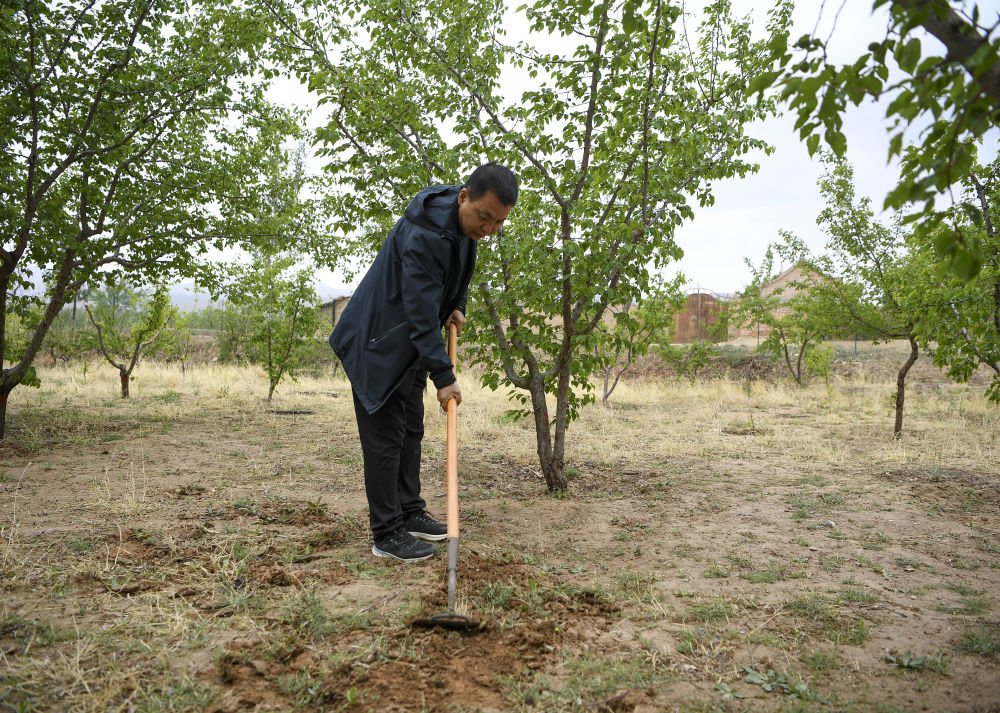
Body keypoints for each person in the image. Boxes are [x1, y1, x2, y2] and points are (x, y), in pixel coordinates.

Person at [330, 163, 519, 562]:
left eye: (498, 223)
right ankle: (387, 533)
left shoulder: (463, 224)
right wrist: (444, 377)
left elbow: (458, 273)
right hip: (377, 343)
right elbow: (418, 311)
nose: (488, 229)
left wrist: (457, 304)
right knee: (385, 440)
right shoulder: (425, 235)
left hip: (408, 345)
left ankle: (410, 511)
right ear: (463, 197)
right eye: (484, 217)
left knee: (410, 430)